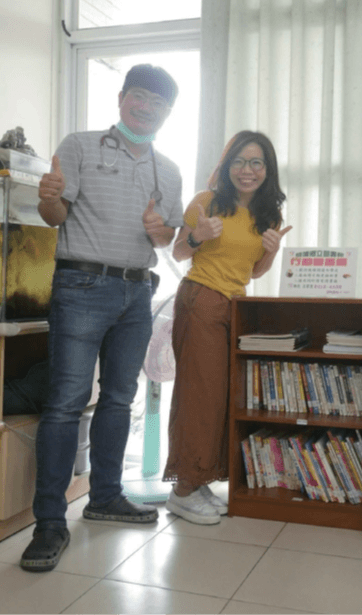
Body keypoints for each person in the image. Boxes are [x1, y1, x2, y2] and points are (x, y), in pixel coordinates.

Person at [20, 64, 184, 572]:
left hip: (138, 291)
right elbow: (54, 217)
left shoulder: (168, 169)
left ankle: (105, 496)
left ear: (167, 113)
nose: (146, 108)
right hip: (82, 285)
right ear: (121, 98)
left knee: (119, 397)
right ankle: (49, 522)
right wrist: (48, 198)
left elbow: (168, 239)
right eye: (139, 97)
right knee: (66, 401)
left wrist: (159, 231)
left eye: (158, 103)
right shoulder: (79, 145)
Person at [163, 130, 291, 524]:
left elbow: (252, 272)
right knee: (199, 396)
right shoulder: (206, 202)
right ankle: (182, 490)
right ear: (226, 166)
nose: (246, 170)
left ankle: (199, 479)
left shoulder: (269, 215)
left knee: (220, 397)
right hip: (200, 298)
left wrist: (271, 252)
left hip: (235, 306)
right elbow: (178, 251)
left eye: (256, 163)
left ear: (267, 170)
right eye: (239, 161)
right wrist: (197, 237)